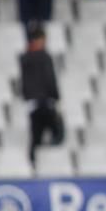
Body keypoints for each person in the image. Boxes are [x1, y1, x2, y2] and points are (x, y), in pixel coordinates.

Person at [20, 21, 64, 165]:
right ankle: (47, 163)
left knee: (36, 137)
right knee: (57, 131)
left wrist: (27, 97)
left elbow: (24, 82)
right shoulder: (44, 57)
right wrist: (55, 96)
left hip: (33, 103)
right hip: (44, 102)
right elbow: (49, 78)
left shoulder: (25, 57)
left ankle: (34, 163)